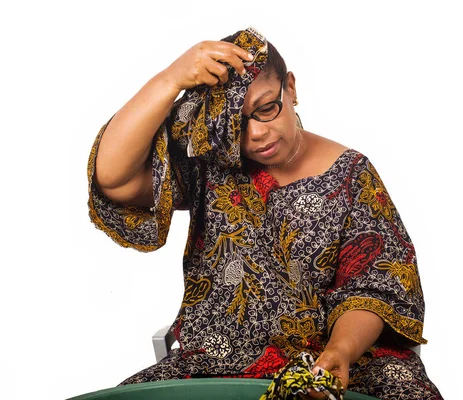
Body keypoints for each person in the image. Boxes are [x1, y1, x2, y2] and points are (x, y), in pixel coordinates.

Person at [87, 28, 443, 400]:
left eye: (266, 108)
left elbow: (376, 289)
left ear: (290, 88)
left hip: (345, 360)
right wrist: (170, 79)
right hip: (218, 362)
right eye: (236, 124)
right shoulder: (213, 163)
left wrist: (340, 352)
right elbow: (115, 179)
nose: (256, 133)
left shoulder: (352, 175)